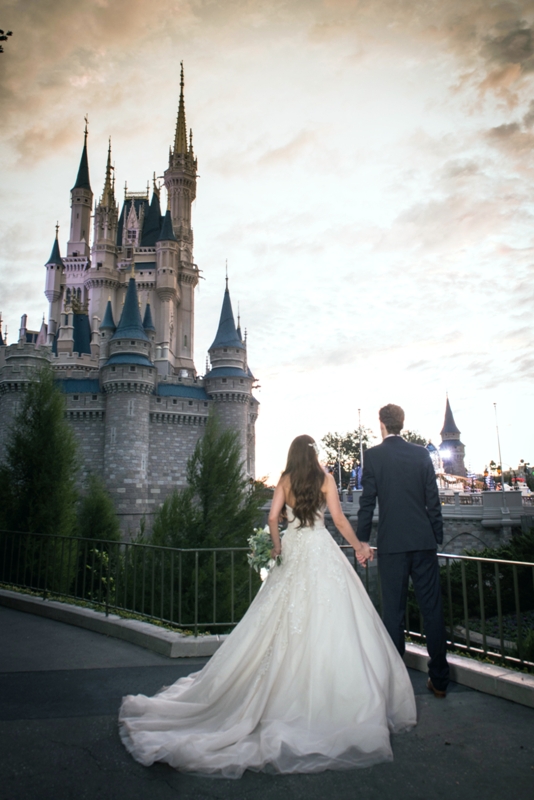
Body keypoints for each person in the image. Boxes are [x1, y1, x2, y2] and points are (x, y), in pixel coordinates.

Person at [119, 434, 416, 778]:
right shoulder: (325, 479)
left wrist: (277, 547)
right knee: (333, 619)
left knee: (277, 618)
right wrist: (360, 547)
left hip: (294, 550)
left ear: (292, 455)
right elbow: (338, 519)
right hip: (321, 551)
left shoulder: (286, 480)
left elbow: (273, 518)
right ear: (314, 454)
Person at [356, 404, 450, 698]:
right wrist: (436, 536)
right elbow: (432, 500)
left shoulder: (373, 456)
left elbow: (367, 504)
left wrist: (361, 543)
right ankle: (440, 680)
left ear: (381, 423)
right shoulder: (421, 454)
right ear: (402, 423)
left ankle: (397, 686)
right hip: (423, 542)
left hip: (392, 545)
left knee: (392, 614)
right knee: (432, 611)